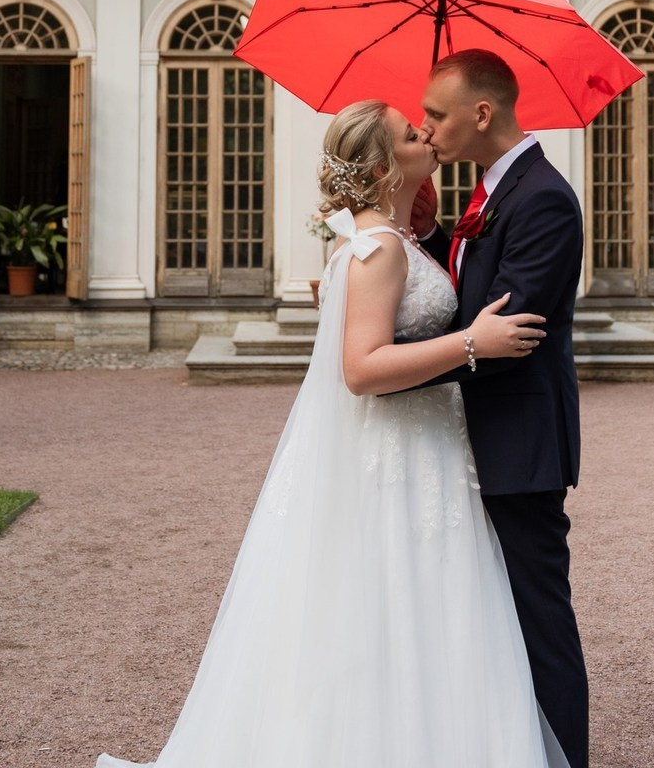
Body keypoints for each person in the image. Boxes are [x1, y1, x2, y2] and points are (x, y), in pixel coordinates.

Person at [97, 99, 569, 768]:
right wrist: (472, 342)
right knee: (396, 604)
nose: (428, 133)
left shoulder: (386, 241)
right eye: (413, 132)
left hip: (424, 447)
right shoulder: (378, 249)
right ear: (383, 167)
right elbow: (360, 370)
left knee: (412, 608)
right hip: (400, 450)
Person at [413, 49, 590, 768]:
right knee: (486, 616)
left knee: (538, 618)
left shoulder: (542, 197)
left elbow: (506, 330)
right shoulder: (489, 194)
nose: (426, 130)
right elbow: (468, 293)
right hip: (475, 436)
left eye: (435, 114)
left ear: (481, 114)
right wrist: (422, 238)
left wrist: (382, 368)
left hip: (518, 444)